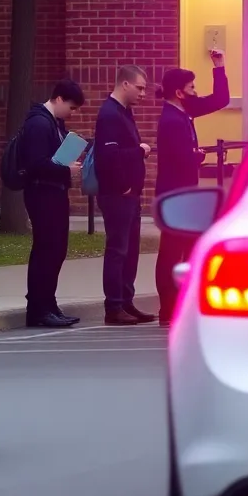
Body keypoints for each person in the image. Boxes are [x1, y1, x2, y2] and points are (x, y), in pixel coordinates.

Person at [154, 55, 229, 326]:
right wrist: (196, 157)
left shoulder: (184, 112)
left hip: (185, 194)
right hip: (175, 196)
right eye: (192, 88)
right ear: (179, 92)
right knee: (171, 252)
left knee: (188, 249)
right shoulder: (172, 120)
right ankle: (168, 308)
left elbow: (220, 100)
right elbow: (180, 158)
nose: (196, 92)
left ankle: (183, 303)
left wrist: (219, 67)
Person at [92, 64, 156, 326]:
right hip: (118, 194)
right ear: (125, 84)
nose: (143, 93)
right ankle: (114, 306)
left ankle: (126, 301)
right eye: (139, 87)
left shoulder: (125, 112)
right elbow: (108, 156)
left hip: (131, 194)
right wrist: (138, 153)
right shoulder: (109, 115)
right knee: (118, 249)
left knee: (130, 250)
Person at [20, 79, 86, 328]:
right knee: (46, 250)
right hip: (42, 193)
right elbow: (36, 163)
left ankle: (48, 303)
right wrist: (65, 169)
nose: (72, 113)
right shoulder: (39, 123)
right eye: (70, 107)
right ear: (58, 99)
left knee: (56, 250)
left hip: (54, 192)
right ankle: (38, 308)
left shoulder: (54, 123)